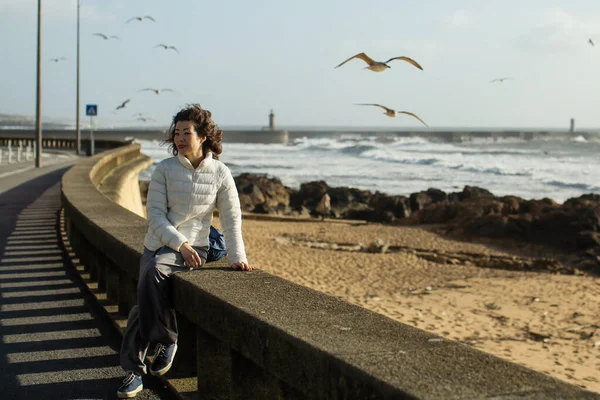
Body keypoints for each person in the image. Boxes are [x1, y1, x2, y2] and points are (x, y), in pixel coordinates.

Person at [117, 104, 254, 398]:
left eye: (187, 132)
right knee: (145, 299)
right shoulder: (164, 169)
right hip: (160, 244)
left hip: (197, 247)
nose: (179, 138)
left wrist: (238, 257)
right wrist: (180, 243)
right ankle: (155, 351)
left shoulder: (220, 173)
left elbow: (232, 218)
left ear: (203, 136)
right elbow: (154, 216)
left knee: (152, 274)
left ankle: (141, 362)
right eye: (176, 132)